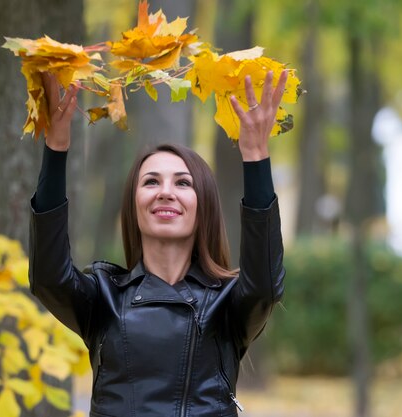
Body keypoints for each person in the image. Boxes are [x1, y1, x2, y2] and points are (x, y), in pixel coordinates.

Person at [29, 70, 288, 417]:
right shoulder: (104, 297)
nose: (166, 191)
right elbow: (49, 277)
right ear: (133, 205)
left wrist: (256, 155)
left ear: (203, 206)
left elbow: (265, 287)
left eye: (183, 183)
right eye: (151, 181)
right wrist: (56, 149)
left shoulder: (227, 303)